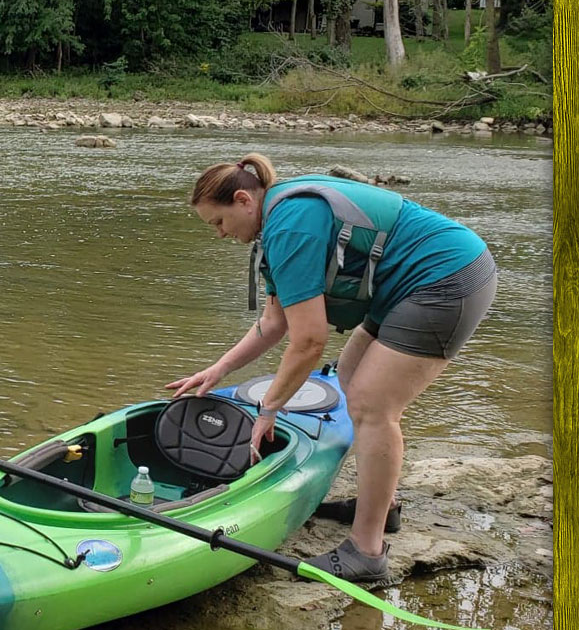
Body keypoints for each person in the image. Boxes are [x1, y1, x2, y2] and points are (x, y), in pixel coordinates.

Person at [169, 154, 496, 583]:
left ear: (244, 200)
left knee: (373, 406)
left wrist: (269, 409)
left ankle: (367, 552)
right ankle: (385, 507)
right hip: (406, 286)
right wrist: (219, 370)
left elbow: (308, 341)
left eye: (218, 222)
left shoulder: (290, 225)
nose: (220, 234)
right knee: (349, 374)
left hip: (445, 278)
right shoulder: (276, 222)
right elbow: (274, 322)